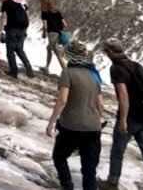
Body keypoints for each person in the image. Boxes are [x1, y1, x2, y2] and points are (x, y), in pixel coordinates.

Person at [99, 39, 143, 190]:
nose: (106, 54)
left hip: (131, 117)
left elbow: (123, 96)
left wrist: (123, 120)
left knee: (117, 151)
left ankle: (112, 183)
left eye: (106, 51)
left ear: (111, 51)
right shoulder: (138, 66)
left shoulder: (116, 68)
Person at [46, 39, 104, 190]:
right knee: (89, 169)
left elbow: (62, 100)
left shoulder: (67, 73)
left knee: (59, 157)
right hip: (93, 126)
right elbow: (101, 105)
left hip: (71, 125)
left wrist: (51, 122)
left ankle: (67, 185)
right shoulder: (94, 75)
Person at [0, 0, 34, 78]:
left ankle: (13, 71)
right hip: (22, 29)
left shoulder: (7, 3)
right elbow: (27, 17)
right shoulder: (23, 3)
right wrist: (25, 30)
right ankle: (29, 70)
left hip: (12, 29)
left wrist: (1, 31)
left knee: (10, 50)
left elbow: (3, 16)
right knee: (20, 49)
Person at [41, 0, 68, 74]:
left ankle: (66, 72)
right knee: (49, 49)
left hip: (52, 34)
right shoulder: (57, 11)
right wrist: (58, 28)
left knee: (57, 54)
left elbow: (45, 26)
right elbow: (65, 24)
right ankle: (46, 67)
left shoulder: (44, 12)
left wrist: (44, 33)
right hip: (59, 34)